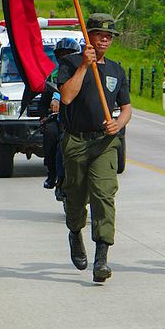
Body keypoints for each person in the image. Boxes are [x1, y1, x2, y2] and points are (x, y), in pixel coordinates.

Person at [58, 15, 131, 283]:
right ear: (87, 35)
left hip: (104, 143)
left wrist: (118, 124)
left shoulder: (116, 70)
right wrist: (84, 66)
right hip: (76, 140)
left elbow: (126, 108)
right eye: (99, 34)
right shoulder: (70, 63)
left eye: (109, 36)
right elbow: (66, 96)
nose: (104, 39)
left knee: (104, 195)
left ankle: (102, 258)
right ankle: (75, 232)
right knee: (76, 198)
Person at [39, 38, 81, 191]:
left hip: (80, 120)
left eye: (69, 55)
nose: (65, 58)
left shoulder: (84, 74)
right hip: (59, 119)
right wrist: (44, 117)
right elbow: (43, 104)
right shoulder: (53, 77)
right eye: (62, 55)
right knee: (51, 134)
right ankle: (53, 175)